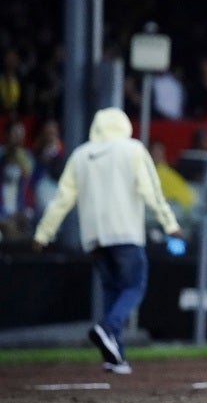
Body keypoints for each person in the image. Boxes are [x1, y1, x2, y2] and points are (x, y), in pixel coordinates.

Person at [32, 107, 184, 374]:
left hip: (94, 238)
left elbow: (61, 199)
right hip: (125, 233)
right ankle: (108, 327)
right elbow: (151, 191)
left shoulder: (81, 155)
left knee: (112, 291)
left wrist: (43, 234)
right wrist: (170, 224)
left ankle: (115, 357)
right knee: (135, 285)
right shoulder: (133, 149)